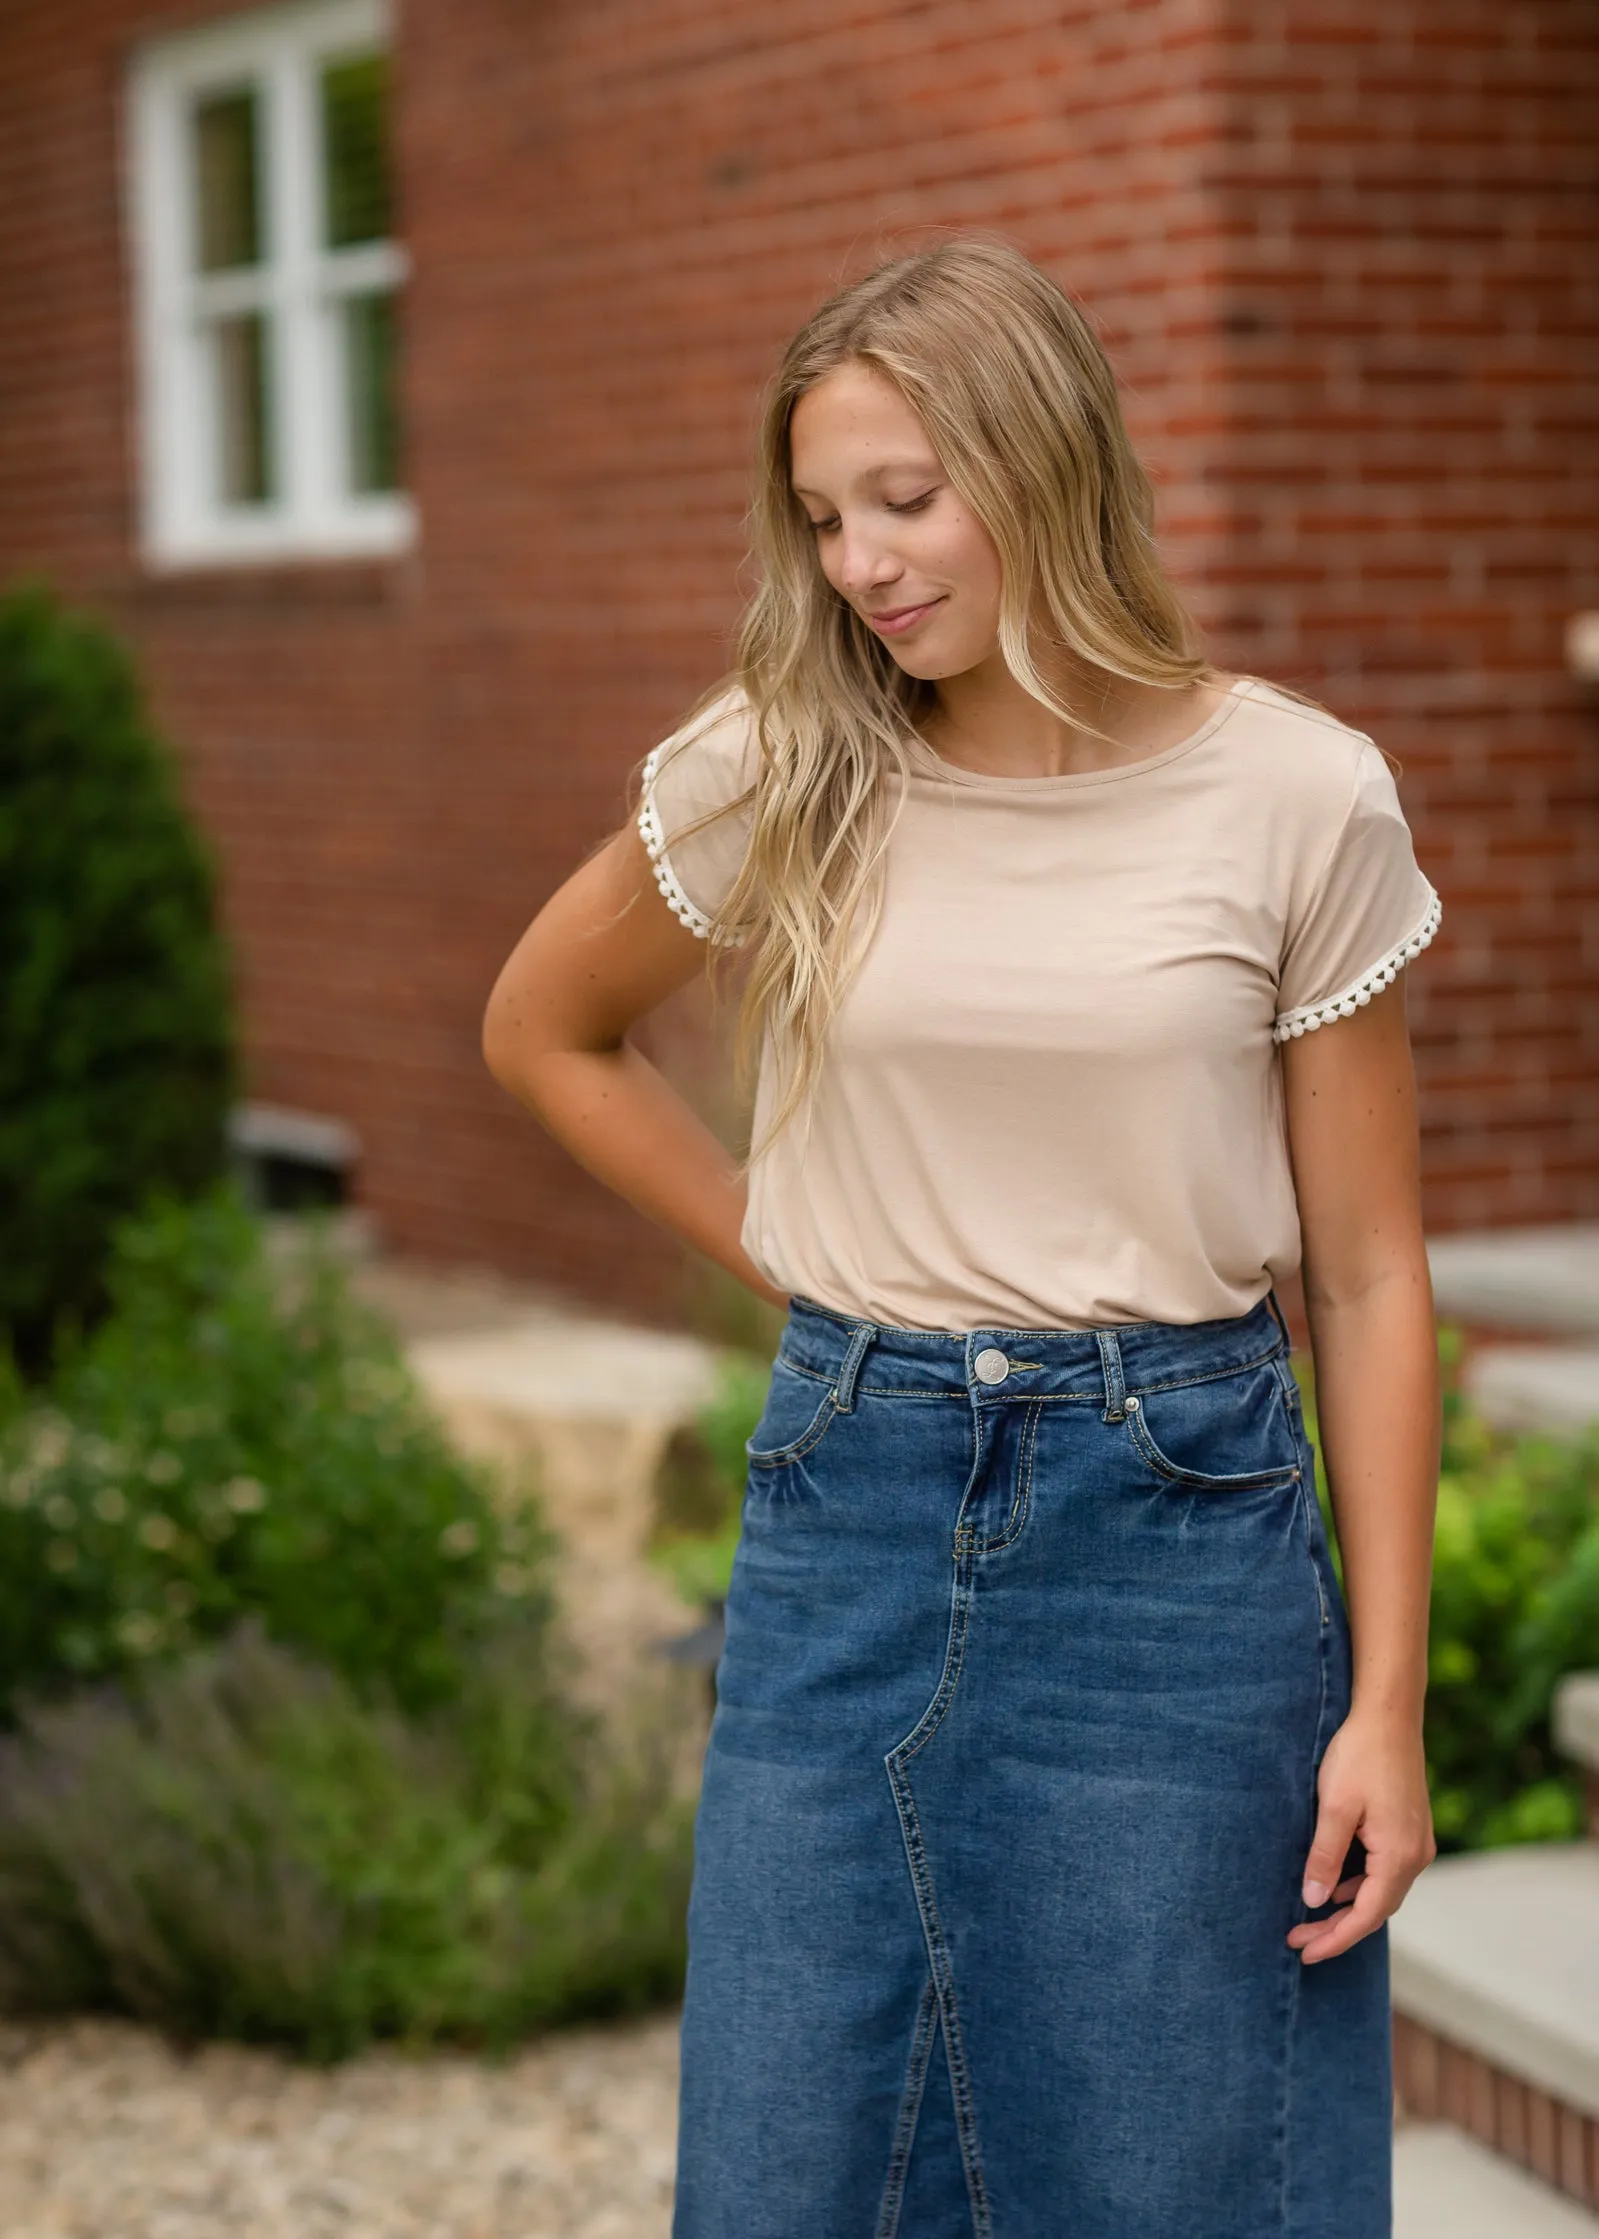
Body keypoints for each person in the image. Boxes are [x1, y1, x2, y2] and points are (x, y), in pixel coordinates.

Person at [482, 236, 1442, 2239]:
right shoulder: (786, 760)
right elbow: (544, 1032)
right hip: (852, 1514)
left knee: (1172, 2167)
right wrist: (811, 1269)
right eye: (824, 520)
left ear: (1045, 462)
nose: (861, 565)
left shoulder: (1296, 799)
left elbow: (1360, 1275)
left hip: (1178, 1547)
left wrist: (1386, 1705)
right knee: (800, 2162)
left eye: (905, 501)